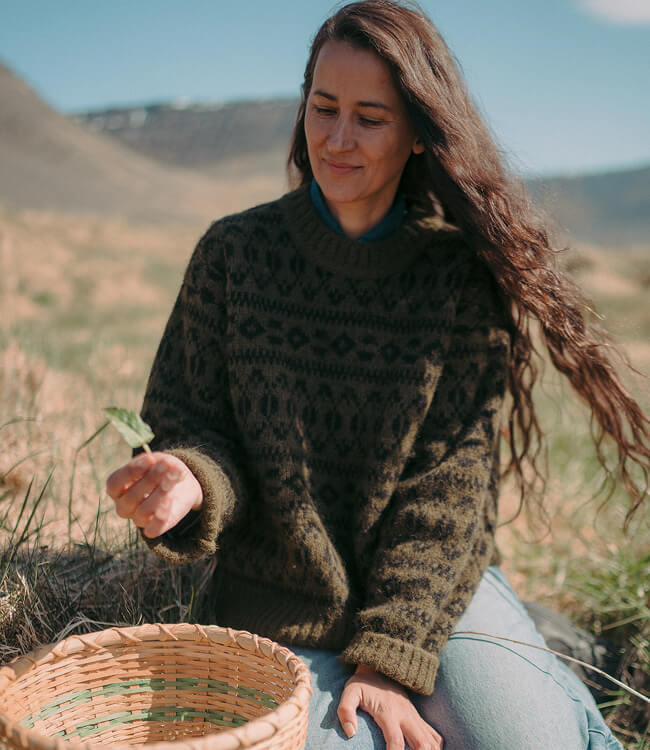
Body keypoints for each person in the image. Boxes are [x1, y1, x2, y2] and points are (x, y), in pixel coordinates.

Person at [106, 2, 649, 748]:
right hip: (280, 606)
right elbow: (191, 421)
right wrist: (192, 479)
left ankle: (544, 653)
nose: (336, 139)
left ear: (419, 136)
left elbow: (450, 492)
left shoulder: (459, 281)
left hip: (434, 596)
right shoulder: (233, 255)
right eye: (323, 108)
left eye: (369, 118)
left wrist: (391, 656)